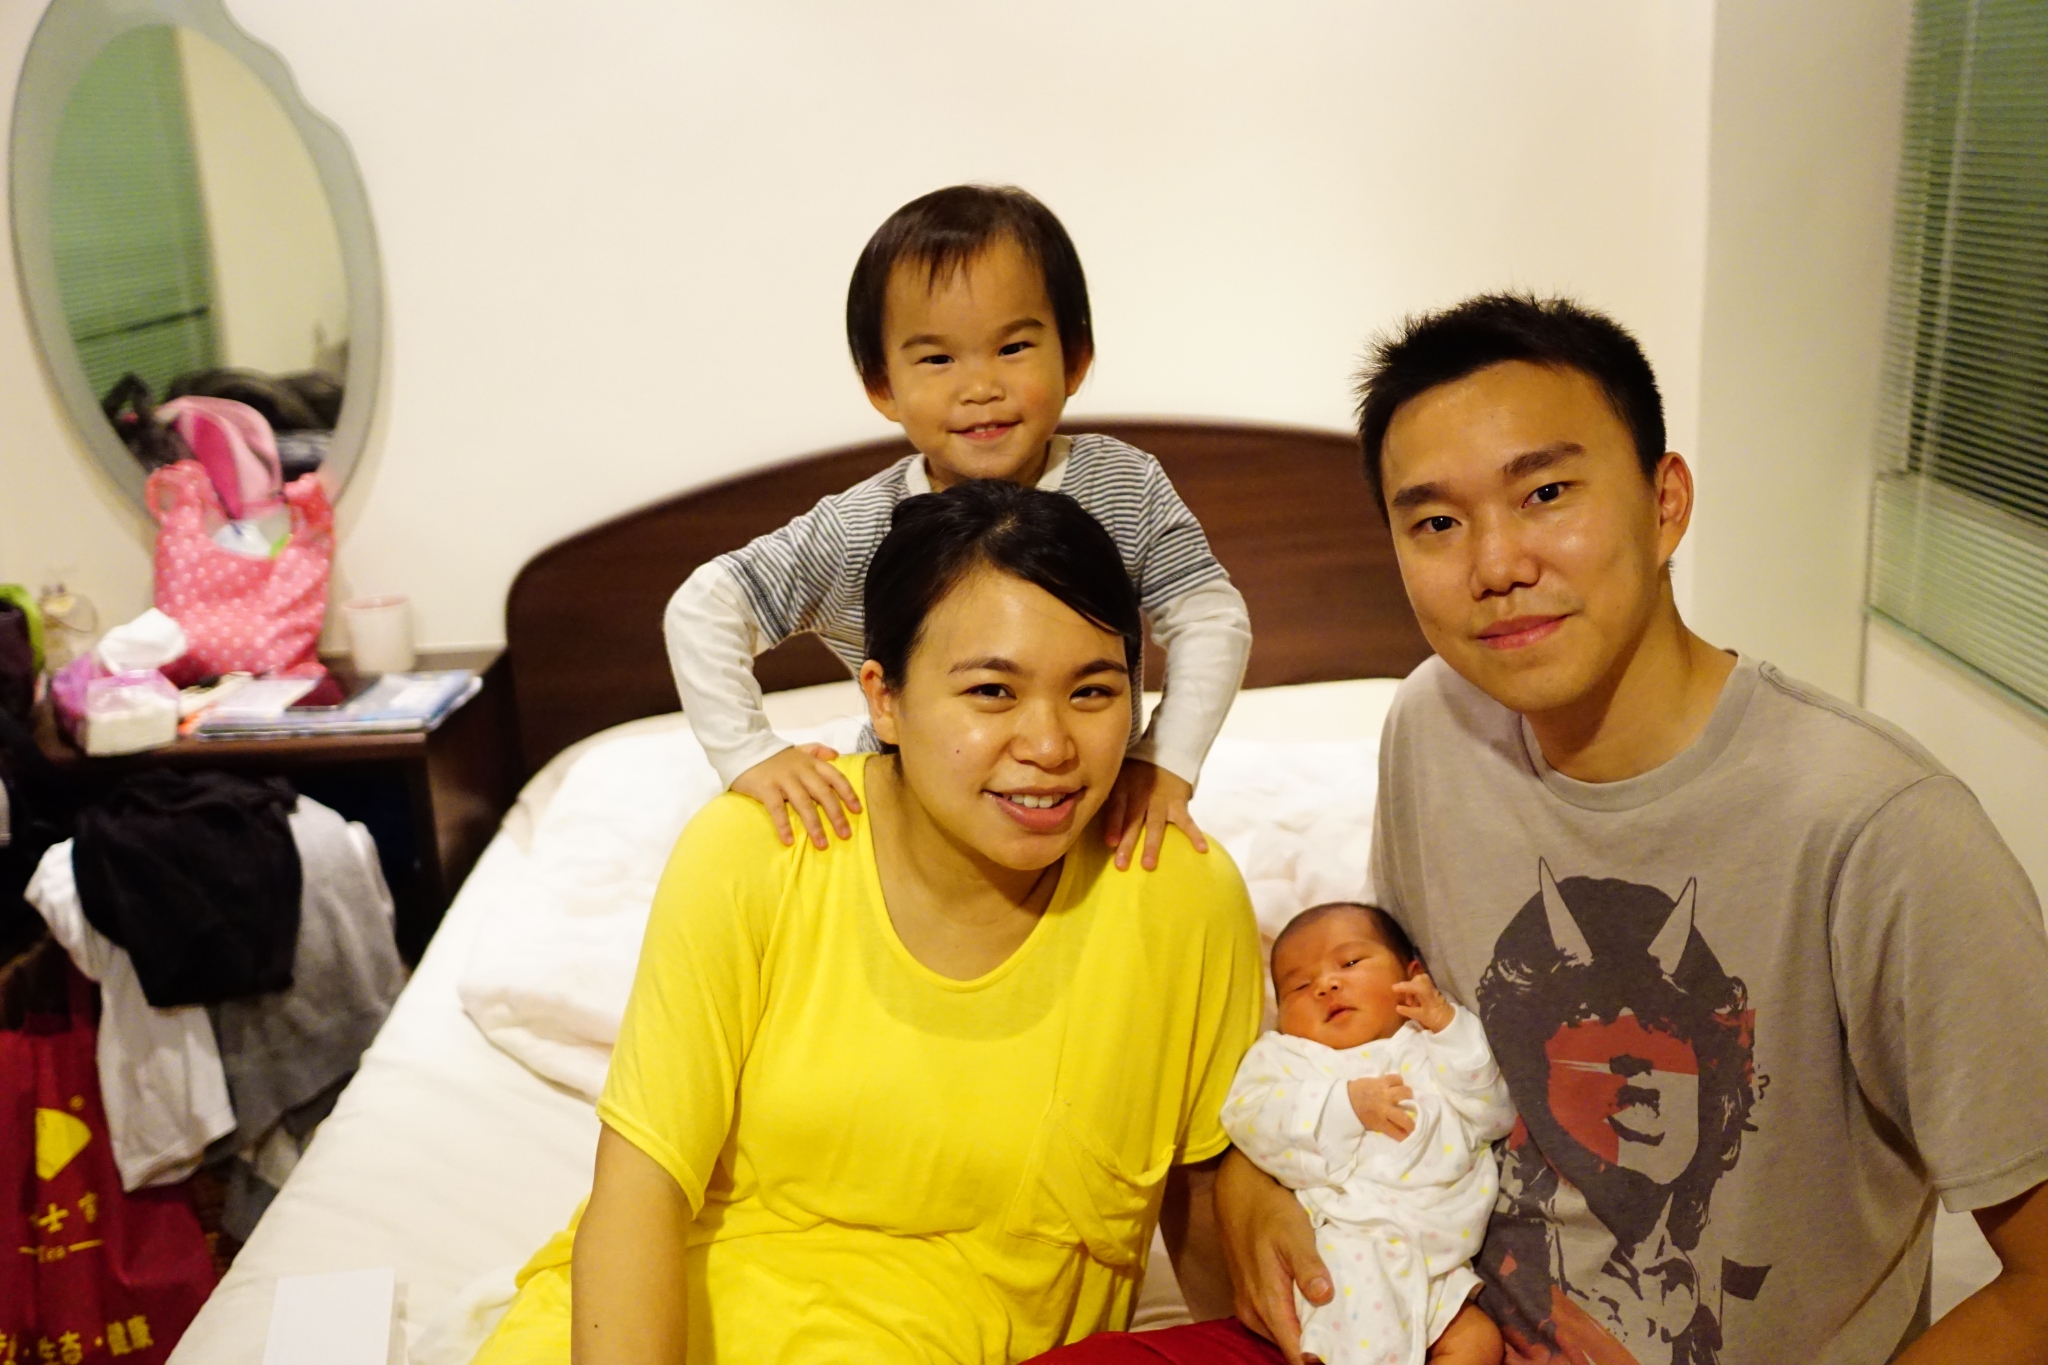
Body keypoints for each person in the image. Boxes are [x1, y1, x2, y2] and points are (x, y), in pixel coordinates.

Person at [1211, 294, 2048, 1365]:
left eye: (1545, 493)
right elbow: (1386, 1043)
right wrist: (1247, 1180)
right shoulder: (1431, 725)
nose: (1495, 565)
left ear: (1665, 504)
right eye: (1436, 523)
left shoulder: (1880, 830)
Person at [473, 480, 1263, 1363]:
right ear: (883, 698)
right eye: (992, 691)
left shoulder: (1175, 892)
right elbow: (642, 1184)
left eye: (1093, 691)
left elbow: (1210, 1196)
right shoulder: (761, 848)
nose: (1048, 745)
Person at [665, 184, 1253, 871]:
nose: (980, 387)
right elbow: (707, 607)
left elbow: (1212, 617)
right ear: (881, 384)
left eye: (1013, 347)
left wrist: (1166, 760)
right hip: (908, 838)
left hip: (1084, 817)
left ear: (1074, 358)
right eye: (938, 359)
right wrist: (749, 752)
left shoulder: (1123, 486)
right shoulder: (858, 526)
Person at [1222, 903, 1514, 1365]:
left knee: (1478, 1341)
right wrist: (1344, 1106)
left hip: (1436, 1266)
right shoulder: (1288, 1058)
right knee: (1360, 1344)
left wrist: (1447, 1026)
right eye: (1299, 985)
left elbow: (1493, 1114)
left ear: (1412, 975)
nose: (1325, 985)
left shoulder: (1435, 1042)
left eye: (1350, 962)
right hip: (1350, 1248)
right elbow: (1248, 1117)